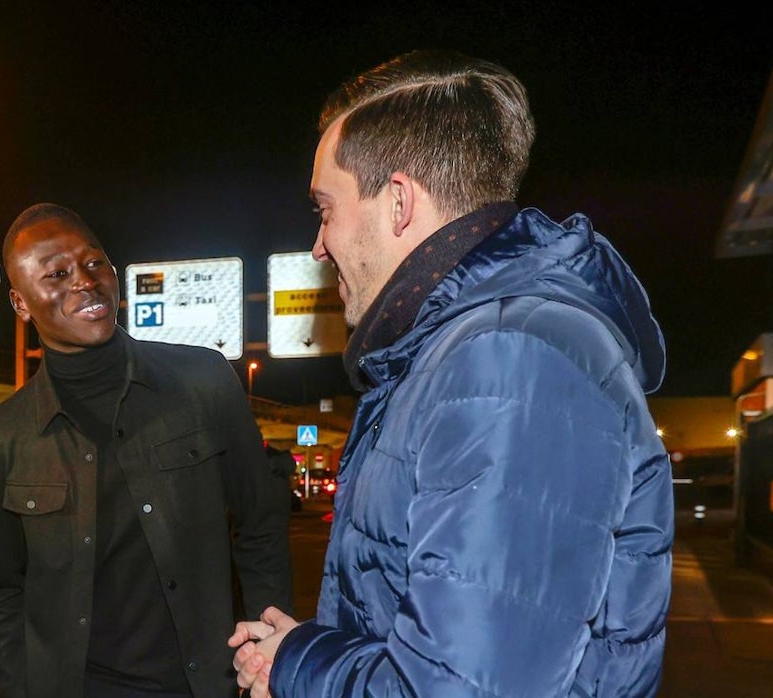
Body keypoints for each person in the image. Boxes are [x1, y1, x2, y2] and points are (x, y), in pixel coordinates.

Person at [229, 49, 673, 697]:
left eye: (326, 209)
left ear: (399, 202)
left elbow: (463, 687)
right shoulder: (464, 353)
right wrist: (316, 644)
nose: (318, 245)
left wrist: (298, 662)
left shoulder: (511, 358)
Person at [0, 203, 294, 698]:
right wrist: (24, 686)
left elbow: (260, 526)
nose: (84, 281)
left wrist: (269, 653)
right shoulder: (0, 437)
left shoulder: (204, 381)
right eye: (57, 273)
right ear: (19, 302)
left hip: (210, 684)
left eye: (95, 263)